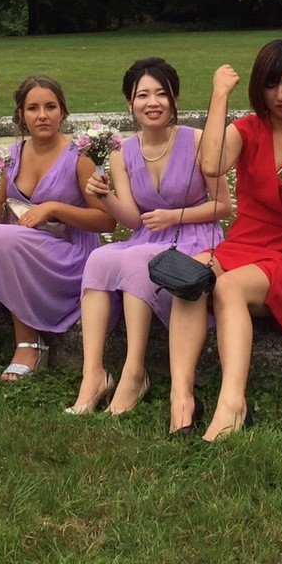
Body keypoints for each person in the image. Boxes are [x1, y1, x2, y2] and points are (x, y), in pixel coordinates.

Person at [168, 39, 282, 442]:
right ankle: (181, 398)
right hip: (243, 245)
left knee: (229, 286)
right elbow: (210, 164)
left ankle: (233, 403)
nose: (280, 95)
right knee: (189, 275)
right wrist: (220, 95)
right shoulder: (248, 130)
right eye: (270, 85)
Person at [65, 57, 231, 416]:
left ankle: (134, 372)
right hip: (148, 238)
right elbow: (131, 218)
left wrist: (175, 215)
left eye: (161, 94)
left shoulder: (198, 140)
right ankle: (93, 375)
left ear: (174, 99)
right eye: (142, 95)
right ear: (130, 103)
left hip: (195, 238)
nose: (152, 102)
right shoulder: (122, 152)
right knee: (99, 257)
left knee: (135, 259)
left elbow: (224, 205)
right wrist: (105, 197)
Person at [0, 75, 115, 380]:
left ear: (63, 112)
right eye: (33, 108)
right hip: (20, 247)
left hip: (68, 256)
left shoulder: (80, 157)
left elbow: (107, 220)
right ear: (21, 114)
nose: (42, 115)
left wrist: (55, 208)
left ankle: (30, 344)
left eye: (50, 107)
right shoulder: (14, 155)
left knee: (0, 238)